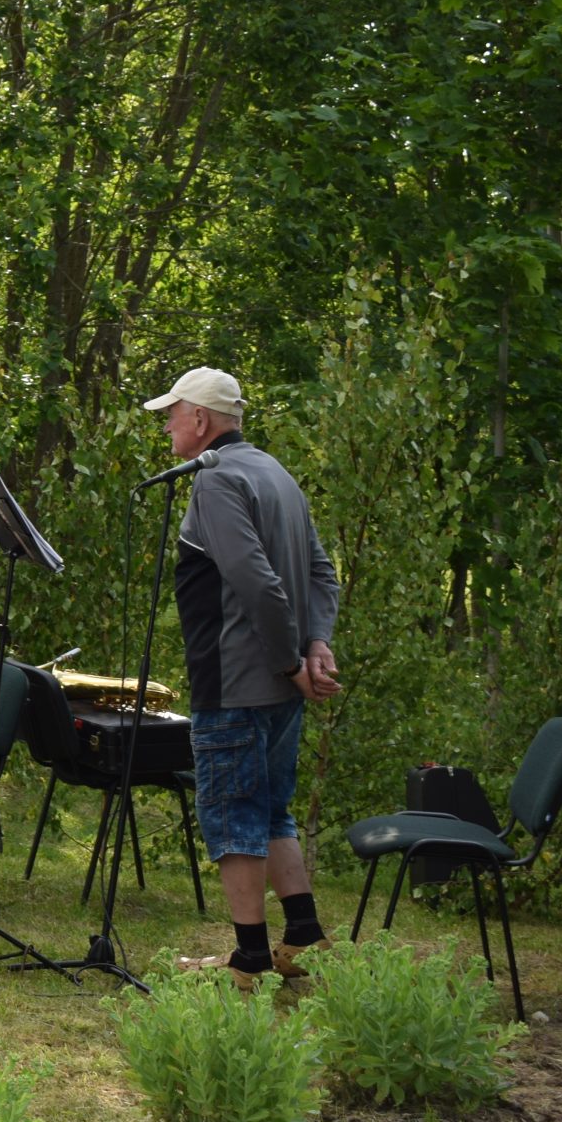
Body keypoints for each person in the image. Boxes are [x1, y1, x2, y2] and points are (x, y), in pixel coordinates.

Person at [145, 366, 342, 989]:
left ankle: (249, 959)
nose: (167, 427)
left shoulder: (217, 480)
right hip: (280, 682)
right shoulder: (275, 473)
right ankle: (304, 934)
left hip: (237, 680)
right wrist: (315, 646)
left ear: (200, 419)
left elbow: (256, 581)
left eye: (172, 415)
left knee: (232, 816)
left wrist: (291, 659)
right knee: (271, 807)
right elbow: (321, 571)